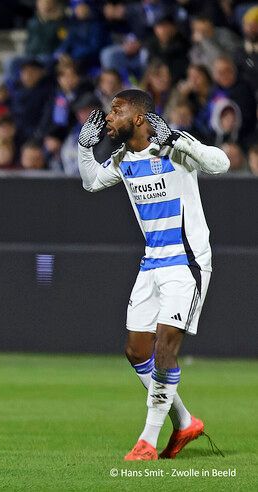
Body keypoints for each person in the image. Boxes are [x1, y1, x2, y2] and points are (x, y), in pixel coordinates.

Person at [77, 89, 229, 460]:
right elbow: (92, 181)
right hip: (152, 263)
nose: (108, 117)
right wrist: (84, 149)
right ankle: (186, 422)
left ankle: (147, 440)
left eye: (116, 111)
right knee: (136, 350)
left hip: (185, 261)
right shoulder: (124, 157)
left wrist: (177, 140)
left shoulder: (173, 147)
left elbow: (220, 163)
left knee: (164, 347)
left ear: (139, 118)